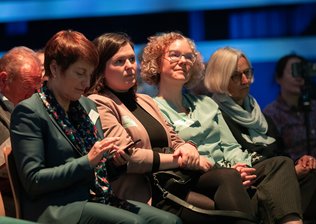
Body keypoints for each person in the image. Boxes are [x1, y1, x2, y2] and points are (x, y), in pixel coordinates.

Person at [9, 30, 182, 224]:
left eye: (90, 74)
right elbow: (34, 181)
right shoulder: (30, 112)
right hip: (59, 207)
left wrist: (117, 161)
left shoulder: (86, 106)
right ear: (55, 69)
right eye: (80, 73)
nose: (86, 82)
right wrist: (88, 161)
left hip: (98, 197)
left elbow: (103, 170)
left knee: (169, 221)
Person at [140, 31, 309, 224]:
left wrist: (242, 166)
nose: (184, 61)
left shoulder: (206, 103)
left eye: (189, 56)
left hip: (229, 170)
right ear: (157, 62)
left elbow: (230, 146)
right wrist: (230, 170)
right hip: (196, 174)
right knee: (231, 177)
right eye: (175, 55)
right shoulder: (152, 108)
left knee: (281, 163)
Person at [87, 32, 256, 224]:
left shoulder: (144, 100)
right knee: (223, 206)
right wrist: (179, 160)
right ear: (101, 68)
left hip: (172, 180)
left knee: (233, 179)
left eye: (132, 59)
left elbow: (173, 138)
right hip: (147, 190)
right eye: (119, 61)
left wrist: (187, 147)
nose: (129, 66)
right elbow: (130, 157)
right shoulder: (99, 103)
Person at [204, 47, 316, 221]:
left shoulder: (260, 115)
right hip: (254, 183)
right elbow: (230, 158)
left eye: (247, 73)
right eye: (236, 76)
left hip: (282, 177)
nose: (245, 80)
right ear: (219, 78)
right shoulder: (213, 114)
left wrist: (298, 165)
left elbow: (281, 152)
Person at [263, 54, 316, 164]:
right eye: (294, 70)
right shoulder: (271, 113)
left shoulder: (315, 106)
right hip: (299, 172)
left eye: (301, 70)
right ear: (279, 78)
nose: (299, 76)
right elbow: (273, 155)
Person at [0, 46, 42, 217]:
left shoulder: (37, 105)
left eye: (39, 84)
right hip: (13, 203)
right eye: (28, 86)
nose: (37, 92)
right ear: (3, 80)